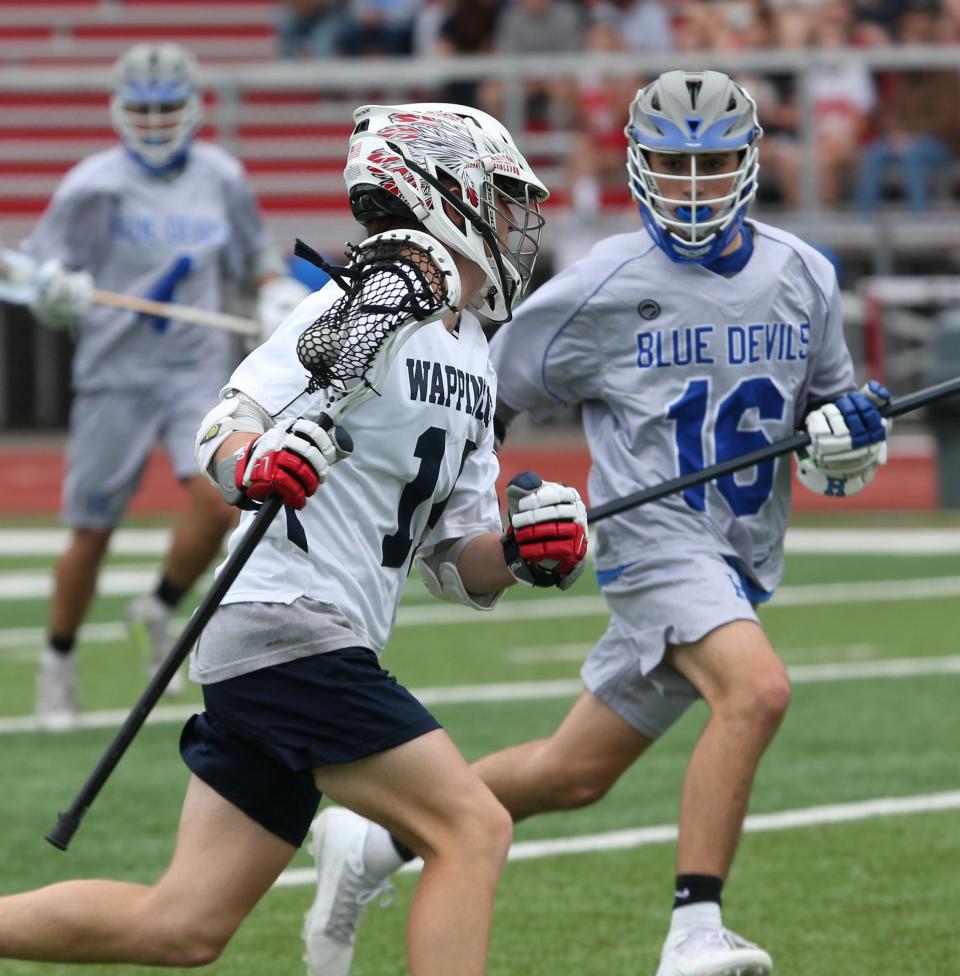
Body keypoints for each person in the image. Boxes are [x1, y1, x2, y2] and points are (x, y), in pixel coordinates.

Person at [304, 71, 892, 976]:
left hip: (738, 558)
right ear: (638, 165)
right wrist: (480, 498)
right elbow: (483, 390)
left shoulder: (803, 274)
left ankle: (371, 846)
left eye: (714, 163)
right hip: (654, 545)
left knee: (572, 773)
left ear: (749, 164)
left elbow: (830, 430)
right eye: (672, 163)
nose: (693, 183)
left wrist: (850, 435)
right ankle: (695, 929)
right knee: (757, 692)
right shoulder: (602, 284)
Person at [0, 101, 589, 976]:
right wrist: (258, 465)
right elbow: (224, 428)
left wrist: (522, 552)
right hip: (288, 628)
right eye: (501, 197)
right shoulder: (368, 301)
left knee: (182, 926)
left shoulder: (471, 354)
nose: (514, 221)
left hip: (303, 641)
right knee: (473, 825)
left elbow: (454, 562)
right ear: (441, 189)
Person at [23, 41, 309, 729]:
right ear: (122, 109)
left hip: (194, 372)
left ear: (194, 107)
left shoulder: (221, 176)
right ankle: (58, 661)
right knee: (92, 532)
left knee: (218, 508)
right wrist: (53, 290)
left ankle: (157, 606)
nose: (155, 122)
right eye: (143, 109)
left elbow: (257, 258)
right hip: (113, 374)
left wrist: (272, 289)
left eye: (168, 108)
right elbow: (34, 271)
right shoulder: (92, 183)